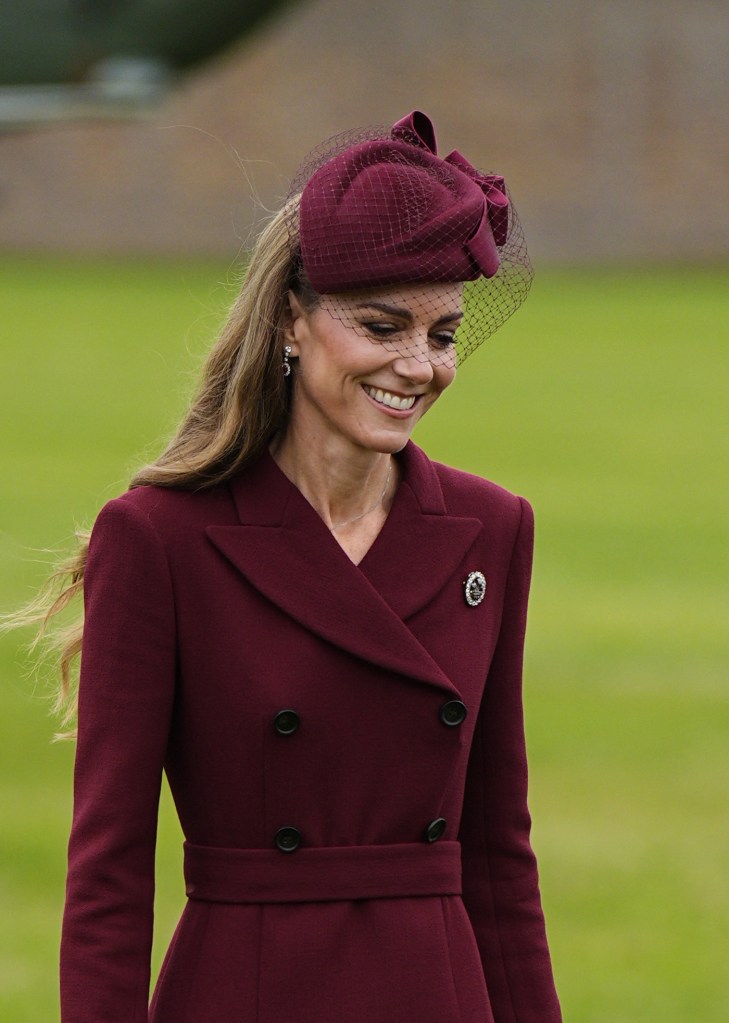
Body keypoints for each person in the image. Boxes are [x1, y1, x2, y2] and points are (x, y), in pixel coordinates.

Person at [45, 111, 562, 1021]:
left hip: (437, 992)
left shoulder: (493, 528)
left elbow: (495, 852)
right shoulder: (158, 539)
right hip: (246, 990)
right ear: (291, 317)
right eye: (381, 324)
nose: (418, 365)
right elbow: (109, 872)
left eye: (442, 335)